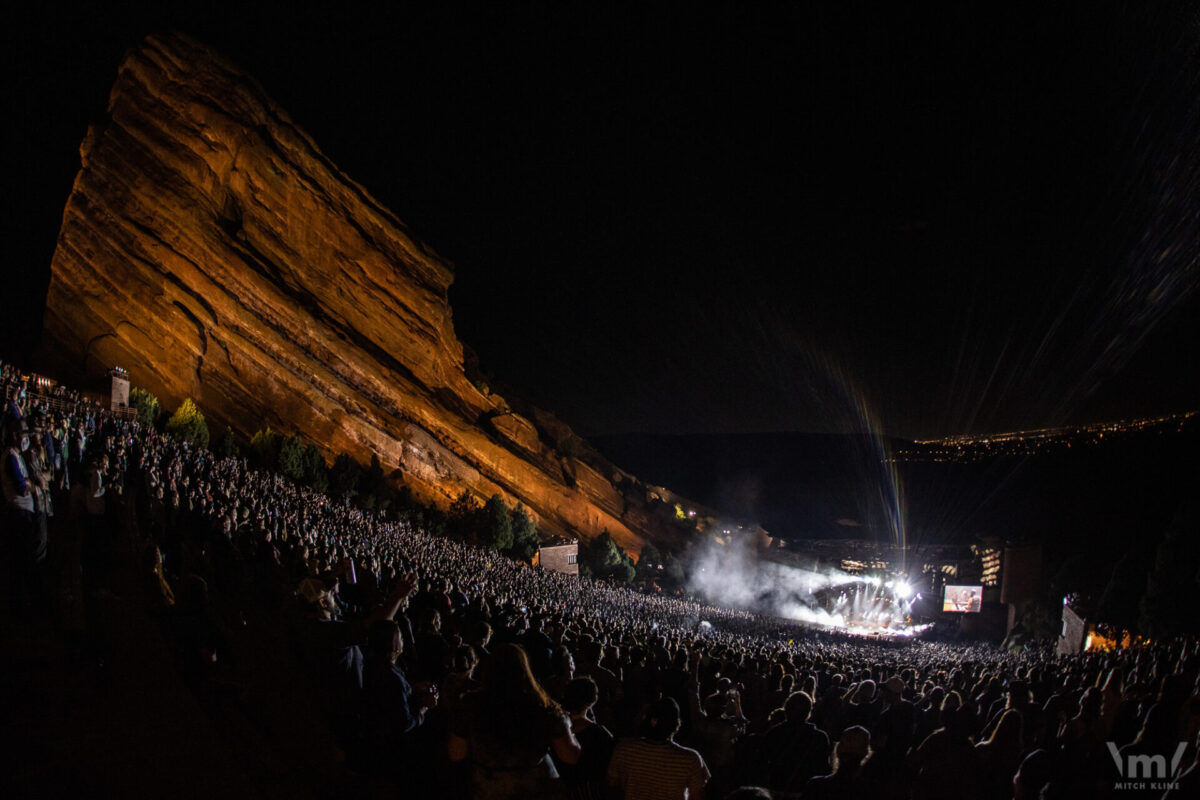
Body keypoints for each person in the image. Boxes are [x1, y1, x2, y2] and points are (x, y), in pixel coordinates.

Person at [449, 642, 580, 799]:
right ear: (525, 670)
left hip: (488, 788)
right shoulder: (542, 707)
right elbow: (570, 755)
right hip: (536, 789)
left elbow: (456, 753)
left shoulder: (470, 705)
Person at [607, 696, 710, 799]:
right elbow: (698, 796)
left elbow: (612, 787)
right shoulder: (690, 759)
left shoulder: (623, 750)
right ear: (676, 725)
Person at [804, 725, 873, 800]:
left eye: (853, 746)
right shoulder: (869, 790)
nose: (849, 749)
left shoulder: (817, 785)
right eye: (847, 743)